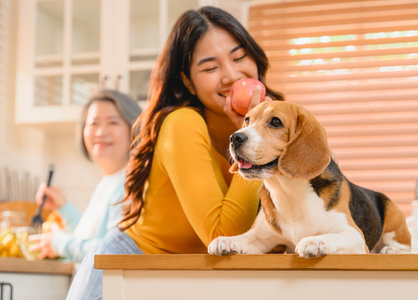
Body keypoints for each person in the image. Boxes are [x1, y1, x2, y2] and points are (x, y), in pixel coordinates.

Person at [66, 6, 283, 299]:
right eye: (210, 68)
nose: (231, 75)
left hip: (176, 280)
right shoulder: (182, 124)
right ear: (187, 80)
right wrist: (256, 141)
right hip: (125, 274)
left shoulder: (276, 123)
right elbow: (224, 238)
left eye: (239, 56)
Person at [29, 90, 142, 263]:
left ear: (133, 127)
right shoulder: (108, 181)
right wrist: (63, 206)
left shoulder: (131, 182)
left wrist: (59, 243)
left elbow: (114, 252)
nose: (100, 132)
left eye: (112, 122)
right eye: (93, 123)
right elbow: (92, 238)